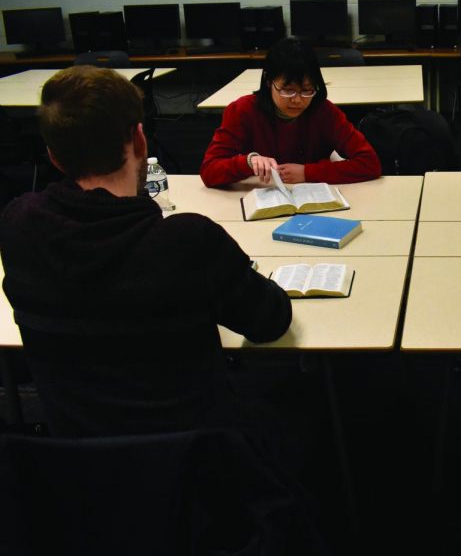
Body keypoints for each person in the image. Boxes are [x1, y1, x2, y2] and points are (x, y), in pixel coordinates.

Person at [0, 66, 293, 442]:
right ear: (141, 142)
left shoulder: (18, 226)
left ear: (54, 157)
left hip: (81, 462)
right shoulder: (188, 240)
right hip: (202, 462)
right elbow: (271, 321)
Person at [201, 37, 381, 187]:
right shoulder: (242, 111)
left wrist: (307, 172)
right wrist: (247, 161)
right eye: (287, 90)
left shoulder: (324, 111)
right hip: (260, 197)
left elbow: (369, 163)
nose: (297, 100)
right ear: (268, 82)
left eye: (307, 90)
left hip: (311, 199)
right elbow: (209, 171)